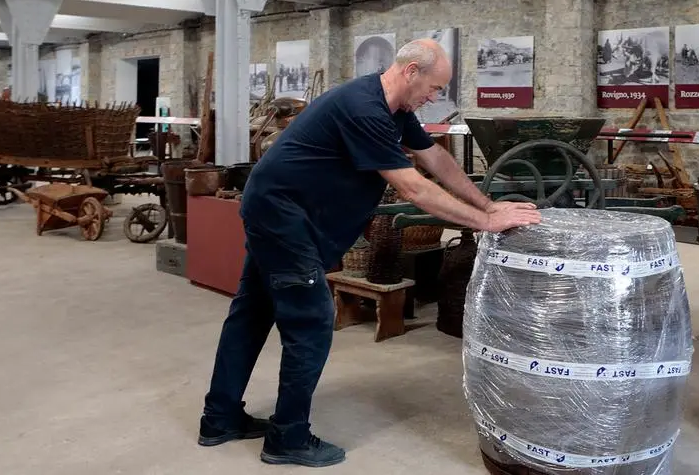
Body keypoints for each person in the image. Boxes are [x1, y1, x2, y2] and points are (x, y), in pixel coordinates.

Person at [197, 39, 542, 467]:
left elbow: (434, 157)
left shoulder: (396, 109)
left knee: (252, 311)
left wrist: (487, 204)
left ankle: (220, 418)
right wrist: (486, 223)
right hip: (283, 217)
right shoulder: (365, 108)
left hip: (281, 211)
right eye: (434, 88)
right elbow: (412, 187)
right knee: (312, 321)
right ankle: (287, 438)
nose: (434, 98)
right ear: (411, 71)